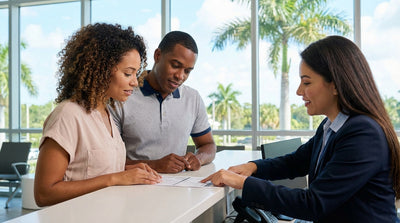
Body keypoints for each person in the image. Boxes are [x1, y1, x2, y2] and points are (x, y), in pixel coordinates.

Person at [202, 36, 400, 222]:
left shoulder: (363, 134)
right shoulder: (330, 126)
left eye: (306, 82)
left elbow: (314, 203)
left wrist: (243, 184)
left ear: (336, 85)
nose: (298, 91)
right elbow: (295, 162)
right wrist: (252, 167)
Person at [34, 23, 161, 207]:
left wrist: (127, 171)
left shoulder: (106, 113)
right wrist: (115, 178)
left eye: (136, 73)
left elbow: (89, 170)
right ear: (101, 69)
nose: (135, 82)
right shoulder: (67, 115)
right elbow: (44, 193)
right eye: (128, 73)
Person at [110, 31, 216, 173]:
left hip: (178, 187)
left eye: (187, 71)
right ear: (158, 56)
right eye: (175, 65)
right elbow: (107, 161)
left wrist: (199, 158)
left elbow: (208, 145)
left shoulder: (193, 98)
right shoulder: (122, 96)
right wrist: (154, 165)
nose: (180, 76)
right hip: (131, 189)